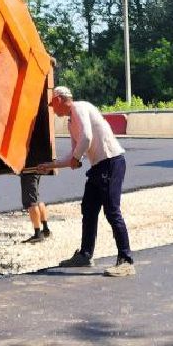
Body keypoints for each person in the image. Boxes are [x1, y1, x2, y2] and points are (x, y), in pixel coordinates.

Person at [43, 86, 134, 277]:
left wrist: (76, 157)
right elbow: (74, 156)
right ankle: (85, 255)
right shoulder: (70, 122)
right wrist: (51, 165)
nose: (53, 109)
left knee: (112, 211)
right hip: (98, 166)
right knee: (89, 209)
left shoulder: (79, 108)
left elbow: (86, 137)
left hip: (111, 162)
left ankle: (126, 260)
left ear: (60, 99)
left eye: (53, 104)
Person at [18, 170, 51, 243]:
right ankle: (45, 229)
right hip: (35, 170)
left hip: (29, 171)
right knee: (36, 199)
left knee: (32, 202)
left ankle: (37, 233)